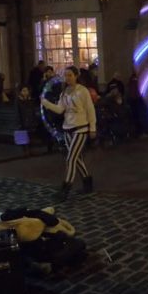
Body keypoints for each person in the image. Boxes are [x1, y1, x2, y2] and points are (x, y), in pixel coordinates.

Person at [41, 66, 97, 200]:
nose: (67, 78)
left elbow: (90, 110)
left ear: (76, 76)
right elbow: (60, 109)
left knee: (71, 158)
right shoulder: (64, 92)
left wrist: (92, 127)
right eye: (66, 76)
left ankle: (65, 189)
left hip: (80, 128)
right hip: (67, 128)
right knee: (76, 159)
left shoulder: (82, 91)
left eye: (70, 75)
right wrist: (46, 103)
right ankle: (87, 183)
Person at [17, 86, 39, 156]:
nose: (25, 92)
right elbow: (18, 112)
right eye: (23, 91)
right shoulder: (18, 101)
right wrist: (19, 122)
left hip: (30, 120)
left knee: (30, 135)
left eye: (26, 90)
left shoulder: (30, 100)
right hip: (23, 120)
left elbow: (32, 110)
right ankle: (25, 151)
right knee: (23, 135)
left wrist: (34, 119)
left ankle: (30, 150)